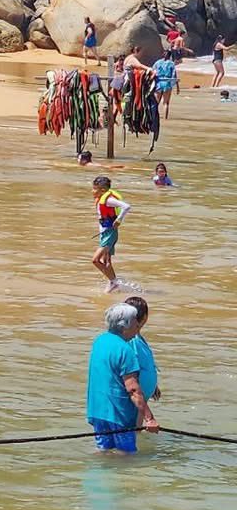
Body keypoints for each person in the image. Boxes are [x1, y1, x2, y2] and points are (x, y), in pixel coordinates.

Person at [86, 303, 158, 453]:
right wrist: (149, 419)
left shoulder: (100, 341)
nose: (138, 325)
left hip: (98, 410)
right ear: (124, 326)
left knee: (103, 451)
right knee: (127, 456)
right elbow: (133, 389)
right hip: (119, 414)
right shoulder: (125, 350)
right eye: (135, 322)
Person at [91, 176, 131, 292]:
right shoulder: (100, 199)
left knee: (95, 260)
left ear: (103, 190)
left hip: (110, 234)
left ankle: (114, 281)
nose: (92, 191)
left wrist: (119, 220)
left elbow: (126, 206)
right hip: (105, 233)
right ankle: (112, 283)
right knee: (106, 261)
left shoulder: (108, 200)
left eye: (95, 189)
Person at [125, 295, 161, 405]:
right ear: (145, 317)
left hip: (140, 397)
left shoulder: (138, 338)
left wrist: (153, 386)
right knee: (136, 421)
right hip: (135, 398)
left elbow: (146, 365)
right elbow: (131, 370)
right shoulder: (132, 340)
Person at [152, 49, 180, 117]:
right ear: (170, 56)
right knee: (166, 103)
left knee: (156, 103)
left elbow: (153, 72)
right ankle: (165, 118)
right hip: (167, 83)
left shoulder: (157, 62)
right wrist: (177, 87)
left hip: (159, 82)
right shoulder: (171, 64)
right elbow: (174, 76)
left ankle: (153, 117)